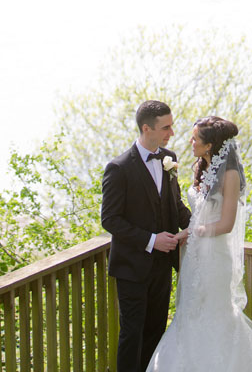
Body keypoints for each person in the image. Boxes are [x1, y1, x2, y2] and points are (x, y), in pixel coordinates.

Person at [145, 116, 252, 372]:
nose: (190, 142)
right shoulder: (201, 167)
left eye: (195, 139)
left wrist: (194, 232)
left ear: (209, 145)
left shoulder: (231, 174)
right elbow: (199, 216)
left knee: (216, 315)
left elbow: (226, 224)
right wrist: (185, 235)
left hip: (215, 259)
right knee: (190, 315)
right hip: (194, 258)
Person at [101, 100, 191, 372]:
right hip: (132, 268)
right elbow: (110, 219)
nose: (171, 133)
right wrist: (151, 240)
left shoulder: (169, 158)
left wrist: (202, 225)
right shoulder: (118, 168)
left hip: (163, 266)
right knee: (132, 335)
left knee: (156, 332)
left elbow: (174, 205)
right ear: (146, 128)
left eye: (171, 126)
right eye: (166, 128)